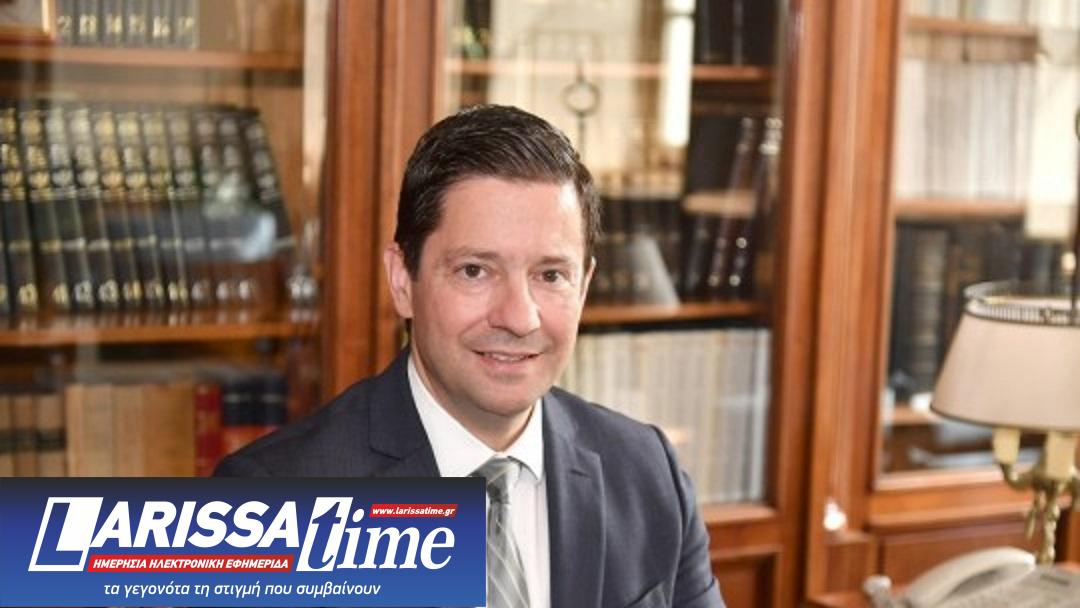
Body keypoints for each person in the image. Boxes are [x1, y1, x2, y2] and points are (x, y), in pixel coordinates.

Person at [215, 105, 725, 608]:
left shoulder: (649, 473)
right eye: (475, 271)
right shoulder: (264, 508)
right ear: (403, 280)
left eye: (550, 275)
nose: (519, 317)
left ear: (584, 286)